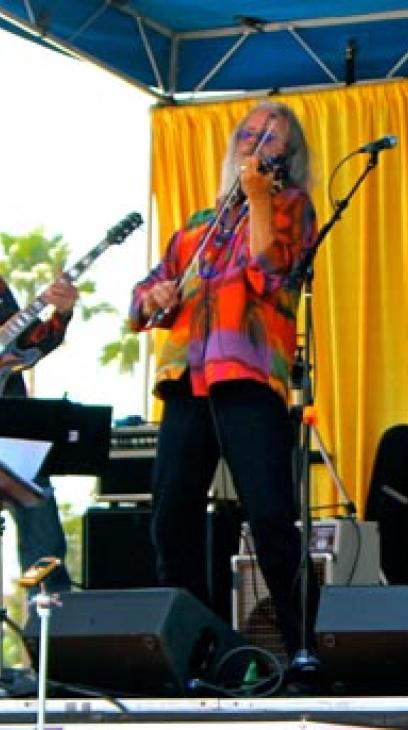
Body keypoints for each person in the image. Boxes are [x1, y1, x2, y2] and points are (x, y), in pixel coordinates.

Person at [129, 101, 317, 657]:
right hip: (187, 379)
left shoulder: (292, 206)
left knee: (269, 518)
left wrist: (258, 194)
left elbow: (268, 270)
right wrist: (155, 296)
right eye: (250, 132)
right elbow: (145, 299)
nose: (256, 141)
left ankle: (302, 646)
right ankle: (193, 652)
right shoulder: (196, 226)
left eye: (271, 137)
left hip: (250, 378)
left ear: (287, 157)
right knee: (172, 520)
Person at [0, 274, 78, 595]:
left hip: (12, 431)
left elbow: (29, 343)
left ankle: (50, 632)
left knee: (43, 538)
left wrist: (61, 313)